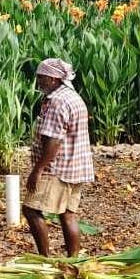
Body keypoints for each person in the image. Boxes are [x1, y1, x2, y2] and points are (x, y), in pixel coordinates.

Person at [23, 58, 94, 257]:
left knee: (31, 210)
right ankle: (74, 261)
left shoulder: (57, 101)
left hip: (57, 169)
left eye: (41, 77)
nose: (38, 81)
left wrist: (37, 170)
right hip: (77, 166)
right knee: (68, 215)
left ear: (54, 79)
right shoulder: (73, 97)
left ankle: (45, 259)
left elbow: (53, 142)